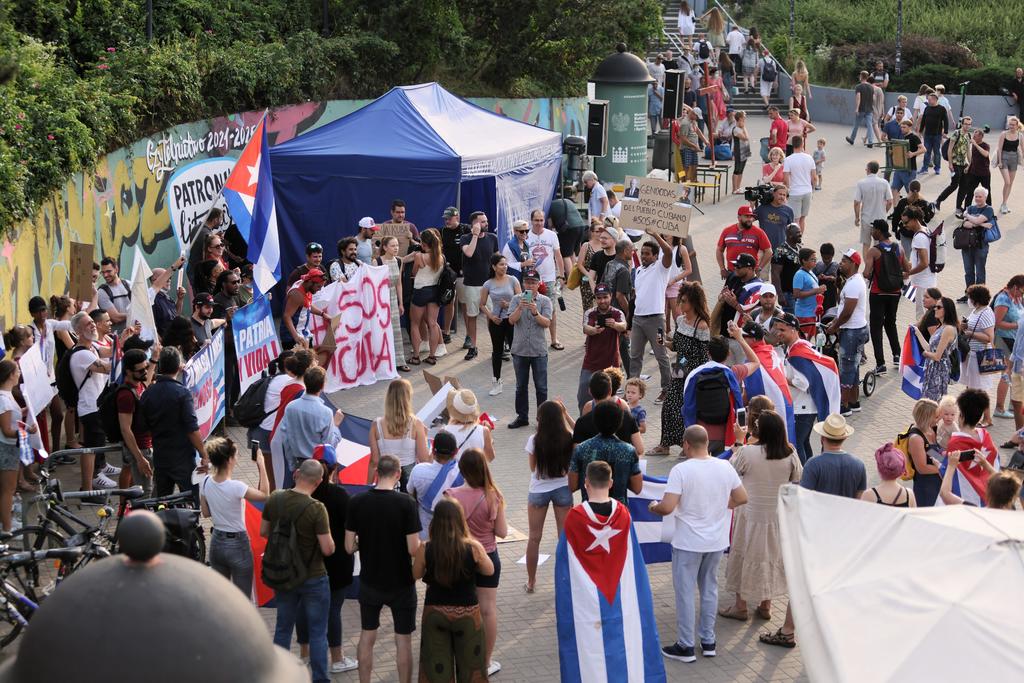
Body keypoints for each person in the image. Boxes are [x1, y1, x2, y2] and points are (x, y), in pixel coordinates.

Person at [761, 413, 864, 649]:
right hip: (845, 535)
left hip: (818, 534)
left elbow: (804, 501)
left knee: (803, 585)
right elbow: (859, 501)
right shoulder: (858, 465)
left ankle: (788, 631)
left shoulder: (815, 465)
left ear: (822, 439)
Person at [650, 425, 748, 663]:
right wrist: (723, 507)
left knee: (685, 592)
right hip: (716, 541)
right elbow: (742, 497)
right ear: (706, 443)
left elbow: (668, 507)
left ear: (685, 444)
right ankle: (708, 640)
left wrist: (654, 506)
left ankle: (685, 645)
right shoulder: (725, 467)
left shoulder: (681, 470)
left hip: (688, 542)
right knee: (709, 589)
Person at [719, 411, 801, 622]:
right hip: (776, 515)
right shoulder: (790, 453)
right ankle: (766, 605)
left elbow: (731, 471)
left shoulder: (748, 452)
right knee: (770, 557)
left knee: (744, 554)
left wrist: (739, 441)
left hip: (749, 512)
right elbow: (797, 478)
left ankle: (741, 605)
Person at [345, 455, 421, 683]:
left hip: (370, 581)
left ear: (376, 472)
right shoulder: (406, 503)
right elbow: (413, 549)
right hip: (401, 583)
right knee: (403, 640)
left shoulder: (357, 502)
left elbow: (349, 547)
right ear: (398, 474)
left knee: (367, 635)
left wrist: (364, 542)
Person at [262, 459, 334, 683]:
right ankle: (320, 679)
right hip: (313, 577)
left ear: (296, 474)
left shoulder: (276, 498)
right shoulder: (316, 509)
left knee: (283, 627)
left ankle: (278, 675)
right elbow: (328, 548)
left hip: (284, 574)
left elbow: (264, 531)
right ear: (319, 481)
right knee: (317, 633)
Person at [412, 497, 493, 682]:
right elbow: (490, 570)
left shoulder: (426, 547)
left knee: (436, 669)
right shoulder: (472, 547)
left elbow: (416, 574)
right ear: (460, 520)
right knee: (472, 669)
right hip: (468, 614)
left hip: (435, 612)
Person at [295, 450, 357, 674]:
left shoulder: (299, 495)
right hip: (337, 562)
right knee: (333, 611)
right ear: (334, 469)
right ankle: (338, 659)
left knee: (303, 606)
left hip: (305, 563)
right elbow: (353, 529)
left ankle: (304, 655)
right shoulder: (341, 496)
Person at [446, 449, 507, 677]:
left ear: (461, 470)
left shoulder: (450, 495)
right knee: (488, 610)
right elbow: (501, 532)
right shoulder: (493, 495)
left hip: (458, 556)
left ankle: (459, 658)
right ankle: (486, 661)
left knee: (460, 608)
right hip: (487, 557)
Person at [200, 436, 269, 594]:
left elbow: (205, 512)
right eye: (236, 455)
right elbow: (265, 495)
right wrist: (262, 465)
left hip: (217, 542)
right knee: (242, 597)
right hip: (238, 544)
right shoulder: (237, 487)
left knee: (223, 596)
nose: (237, 457)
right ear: (229, 460)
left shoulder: (205, 482)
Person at [139, 346, 209, 500]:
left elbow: (142, 427)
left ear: (159, 366)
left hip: (161, 457)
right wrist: (204, 453)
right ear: (178, 367)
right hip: (183, 458)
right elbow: (192, 429)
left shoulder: (148, 393)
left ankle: (161, 524)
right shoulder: (182, 393)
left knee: (162, 502)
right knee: (191, 501)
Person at [523, 400, 574, 593]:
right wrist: (567, 413)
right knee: (564, 538)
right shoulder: (568, 437)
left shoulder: (534, 440)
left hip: (538, 491)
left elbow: (532, 468)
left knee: (534, 537)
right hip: (562, 489)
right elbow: (579, 431)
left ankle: (531, 581)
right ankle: (565, 581)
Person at [65, 311, 115, 490]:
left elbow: (109, 352)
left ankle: (95, 477)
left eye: (93, 322)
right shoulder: (81, 355)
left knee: (96, 445)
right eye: (88, 324)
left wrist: (124, 339)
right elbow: (108, 367)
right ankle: (88, 488)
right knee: (90, 448)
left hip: (96, 405)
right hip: (90, 407)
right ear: (78, 331)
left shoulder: (91, 347)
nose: (93, 325)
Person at [277, 366, 344, 489]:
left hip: (299, 465)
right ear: (323, 386)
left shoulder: (291, 407)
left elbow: (285, 438)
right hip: (318, 468)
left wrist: (292, 465)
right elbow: (328, 445)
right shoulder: (325, 412)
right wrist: (336, 425)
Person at [629, 230, 674, 402]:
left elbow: (668, 252)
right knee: (635, 356)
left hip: (657, 321)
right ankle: (633, 390)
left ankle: (667, 389)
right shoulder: (639, 270)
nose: (644, 256)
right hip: (638, 320)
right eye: (642, 253)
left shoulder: (661, 268)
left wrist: (656, 236)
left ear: (656, 256)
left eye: (648, 254)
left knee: (661, 354)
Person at [568, 400, 641, 505]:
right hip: (618, 512)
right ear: (619, 423)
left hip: (590, 511)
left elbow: (572, 486)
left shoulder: (581, 449)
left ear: (595, 421)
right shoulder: (629, 450)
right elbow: (637, 488)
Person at [825, 250, 869, 415]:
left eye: (844, 260)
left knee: (847, 368)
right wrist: (835, 322)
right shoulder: (852, 281)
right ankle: (854, 401)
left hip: (852, 332)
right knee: (854, 366)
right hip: (854, 329)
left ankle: (843, 406)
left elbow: (847, 312)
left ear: (854, 264)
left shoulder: (854, 284)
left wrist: (835, 326)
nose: (841, 263)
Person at [507, 270, 552, 429]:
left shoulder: (545, 301)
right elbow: (511, 320)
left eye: (533, 282)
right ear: (523, 283)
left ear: (538, 284)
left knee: (541, 387)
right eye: (527, 282)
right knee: (521, 386)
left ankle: (543, 419)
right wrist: (520, 308)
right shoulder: (516, 299)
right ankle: (522, 417)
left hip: (538, 350)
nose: (530, 285)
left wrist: (535, 312)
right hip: (520, 350)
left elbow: (546, 323)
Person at [367, 378, 429, 490]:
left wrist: (368, 486)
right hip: (409, 481)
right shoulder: (416, 424)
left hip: (384, 480)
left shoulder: (376, 425)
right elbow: (424, 459)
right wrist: (426, 438)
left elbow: (374, 461)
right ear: (408, 398)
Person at [863, 220, 907, 372]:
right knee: (891, 323)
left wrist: (868, 273)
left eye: (873, 229)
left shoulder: (873, 251)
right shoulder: (898, 248)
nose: (872, 232)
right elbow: (907, 268)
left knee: (876, 327)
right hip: (895, 293)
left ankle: (880, 363)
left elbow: (867, 273)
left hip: (878, 292)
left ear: (879, 231)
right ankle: (897, 355)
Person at [578, 284, 627, 412]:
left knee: (611, 400)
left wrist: (615, 324)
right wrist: (594, 330)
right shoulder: (590, 312)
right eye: (599, 298)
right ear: (595, 298)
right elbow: (585, 328)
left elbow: (624, 326)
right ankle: (584, 423)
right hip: (591, 363)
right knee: (583, 396)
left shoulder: (617, 313)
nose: (602, 300)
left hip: (611, 365)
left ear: (610, 297)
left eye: (605, 297)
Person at [574, 371, 645, 456]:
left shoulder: (582, 421)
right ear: (610, 391)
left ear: (590, 391)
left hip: (593, 467)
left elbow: (577, 454)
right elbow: (640, 449)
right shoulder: (626, 416)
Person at [459, 213, 499, 360]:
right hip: (471, 284)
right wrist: (475, 236)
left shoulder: (492, 238)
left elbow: (497, 259)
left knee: (492, 316)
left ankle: (497, 346)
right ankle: (473, 347)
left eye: (486, 221)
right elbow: (469, 253)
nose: (486, 224)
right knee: (472, 316)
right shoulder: (465, 238)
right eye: (482, 222)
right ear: (474, 224)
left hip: (489, 284)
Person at [115, 349, 155, 496]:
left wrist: (154, 360)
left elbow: (147, 379)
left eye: (146, 367)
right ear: (128, 371)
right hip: (139, 449)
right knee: (144, 494)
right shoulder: (126, 395)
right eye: (140, 370)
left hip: (145, 447)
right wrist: (140, 458)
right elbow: (126, 429)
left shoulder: (139, 383)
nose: (145, 372)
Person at [480, 255, 520, 397]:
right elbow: (482, 304)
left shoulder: (512, 280)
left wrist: (509, 305)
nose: (505, 267)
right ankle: (496, 382)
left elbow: (520, 300)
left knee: (516, 351)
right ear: (494, 267)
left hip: (511, 320)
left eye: (505, 264)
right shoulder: (488, 284)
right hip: (496, 321)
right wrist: (491, 316)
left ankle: (520, 381)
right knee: (497, 352)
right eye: (501, 264)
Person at [407, 430, 459, 535]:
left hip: (423, 528)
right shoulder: (461, 474)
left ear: (433, 452)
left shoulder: (418, 470)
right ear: (456, 452)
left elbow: (410, 494)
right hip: (452, 529)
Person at [405, 228, 445, 365]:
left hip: (420, 291)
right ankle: (432, 356)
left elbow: (414, 272)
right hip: (435, 291)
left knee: (415, 324)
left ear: (423, 243)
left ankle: (416, 357)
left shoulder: (419, 257)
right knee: (433, 324)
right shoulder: (441, 257)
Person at [375, 235, 410, 372]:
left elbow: (399, 283)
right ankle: (383, 361)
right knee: (382, 331)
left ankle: (399, 360)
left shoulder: (399, 261)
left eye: (397, 245)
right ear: (384, 247)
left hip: (394, 299)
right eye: (392, 246)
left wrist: (401, 303)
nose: (396, 248)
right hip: (380, 300)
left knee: (396, 331)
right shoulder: (377, 262)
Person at [961, 286, 997, 418]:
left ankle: (987, 418)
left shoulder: (986, 313)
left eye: (970, 297)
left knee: (980, 389)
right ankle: (968, 413)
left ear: (976, 299)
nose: (968, 300)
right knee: (971, 387)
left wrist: (970, 333)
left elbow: (989, 338)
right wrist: (965, 325)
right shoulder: (976, 310)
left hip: (980, 355)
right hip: (971, 354)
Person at [913, 296, 958, 401]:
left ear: (946, 310)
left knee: (933, 405)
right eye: (935, 307)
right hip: (931, 369)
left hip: (939, 372)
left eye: (938, 307)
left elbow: (937, 356)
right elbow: (930, 348)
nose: (935, 309)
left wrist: (924, 354)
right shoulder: (941, 326)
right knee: (926, 402)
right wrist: (917, 333)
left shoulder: (948, 329)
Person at [0, 360, 28, 531]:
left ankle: (6, 522)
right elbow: (7, 430)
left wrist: (24, 411)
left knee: (6, 490)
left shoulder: (6, 394)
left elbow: (11, 416)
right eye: (17, 370)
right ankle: (7, 529)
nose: (19, 373)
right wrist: (26, 432)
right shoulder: (3, 398)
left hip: (10, 447)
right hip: (7, 448)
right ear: (11, 375)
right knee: (7, 491)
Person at [993, 276, 1024, 421]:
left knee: (1016, 371)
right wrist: (1018, 325)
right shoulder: (1003, 299)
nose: (1021, 295)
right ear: (1015, 287)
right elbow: (997, 323)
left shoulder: (1016, 298)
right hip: (1003, 339)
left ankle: (1015, 402)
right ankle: (999, 407)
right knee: (1007, 372)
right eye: (1021, 291)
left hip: (1015, 340)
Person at [902, 398, 943, 506]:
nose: (939, 419)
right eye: (936, 416)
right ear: (927, 418)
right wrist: (944, 469)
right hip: (926, 487)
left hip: (937, 482)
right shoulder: (916, 439)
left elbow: (931, 452)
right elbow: (922, 468)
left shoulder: (930, 429)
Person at [716, 206, 772, 280]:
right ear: (739, 217)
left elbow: (769, 251)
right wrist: (722, 269)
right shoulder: (727, 231)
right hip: (732, 273)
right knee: (730, 292)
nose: (750, 219)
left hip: (749, 275)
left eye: (751, 217)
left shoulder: (759, 232)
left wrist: (759, 268)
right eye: (746, 216)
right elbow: (719, 250)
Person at [280, 269, 329, 351]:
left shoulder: (306, 285)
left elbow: (307, 305)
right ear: (310, 282)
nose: (319, 289)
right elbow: (287, 316)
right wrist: (296, 337)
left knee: (311, 362)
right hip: (293, 337)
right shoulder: (296, 294)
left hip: (303, 333)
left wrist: (322, 314)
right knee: (303, 363)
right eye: (318, 287)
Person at [934, 115, 973, 213]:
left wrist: (971, 163)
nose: (967, 126)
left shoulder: (968, 135)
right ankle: (938, 200)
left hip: (963, 164)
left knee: (964, 186)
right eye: (965, 124)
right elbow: (949, 149)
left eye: (969, 124)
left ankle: (958, 207)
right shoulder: (956, 133)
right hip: (955, 163)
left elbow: (968, 150)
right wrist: (950, 164)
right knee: (954, 185)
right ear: (962, 124)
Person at [444, 388, 496, 462]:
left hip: (454, 473)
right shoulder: (483, 431)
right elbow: (490, 458)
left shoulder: (445, 431)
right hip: (476, 472)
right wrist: (489, 437)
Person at [960, 187, 996, 294]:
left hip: (981, 245)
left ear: (985, 197)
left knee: (980, 272)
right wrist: (982, 224)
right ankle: (969, 294)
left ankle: (980, 295)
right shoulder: (971, 208)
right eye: (976, 196)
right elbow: (965, 224)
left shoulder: (988, 209)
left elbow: (975, 220)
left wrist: (968, 216)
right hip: (967, 244)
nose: (977, 198)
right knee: (968, 271)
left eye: (980, 196)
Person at [854, 162, 894, 255]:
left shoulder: (861, 183)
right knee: (879, 244)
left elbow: (857, 202)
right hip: (880, 219)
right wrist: (885, 211)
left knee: (866, 244)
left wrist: (857, 217)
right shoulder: (884, 183)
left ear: (868, 170)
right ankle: (878, 265)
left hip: (866, 219)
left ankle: (868, 265)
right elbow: (890, 201)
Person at [440, 207, 466, 345]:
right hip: (448, 273)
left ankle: (468, 335)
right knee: (449, 301)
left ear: (457, 217)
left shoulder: (465, 229)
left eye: (449, 218)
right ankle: (447, 332)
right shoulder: (442, 231)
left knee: (464, 304)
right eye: (445, 218)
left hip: (463, 274)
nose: (447, 221)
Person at [792, 248, 825, 339]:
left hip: (812, 313)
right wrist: (816, 291)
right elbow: (796, 294)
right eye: (812, 259)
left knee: (808, 340)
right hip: (804, 315)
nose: (815, 262)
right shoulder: (799, 274)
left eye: (815, 259)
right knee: (804, 340)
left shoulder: (810, 272)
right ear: (804, 261)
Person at [960, 128, 992, 216]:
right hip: (974, 173)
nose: (973, 137)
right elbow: (973, 159)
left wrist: (975, 145)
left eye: (975, 136)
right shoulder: (973, 145)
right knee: (970, 192)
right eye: (973, 135)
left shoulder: (985, 145)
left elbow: (986, 154)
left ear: (981, 137)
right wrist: (969, 167)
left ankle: (989, 212)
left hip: (984, 174)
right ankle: (966, 211)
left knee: (987, 193)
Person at [755, 185, 794, 254]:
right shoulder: (762, 208)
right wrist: (752, 204)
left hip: (780, 249)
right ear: (773, 194)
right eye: (780, 194)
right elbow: (748, 220)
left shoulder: (789, 211)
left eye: (784, 195)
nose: (782, 197)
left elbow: (790, 230)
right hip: (763, 247)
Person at [96, 256, 131, 334]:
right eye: (103, 272)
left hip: (135, 333)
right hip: (118, 337)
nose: (105, 275)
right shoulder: (102, 292)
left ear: (116, 269)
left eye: (108, 271)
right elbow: (115, 318)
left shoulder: (129, 284)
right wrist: (135, 314)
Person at [994, 116, 1021, 214]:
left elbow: (1022, 149)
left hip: (1014, 159)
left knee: (1010, 184)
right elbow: (999, 148)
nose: (1011, 126)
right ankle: (1004, 204)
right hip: (1004, 158)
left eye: (1013, 125)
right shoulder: (1004, 134)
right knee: (1008, 182)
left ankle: (1004, 204)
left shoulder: (1020, 135)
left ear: (1017, 126)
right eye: (1010, 124)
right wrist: (1000, 161)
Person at [890, 120, 924, 196]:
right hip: (899, 168)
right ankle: (896, 208)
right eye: (901, 127)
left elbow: (923, 149)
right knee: (894, 190)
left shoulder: (914, 137)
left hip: (910, 169)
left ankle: (917, 206)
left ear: (910, 127)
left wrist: (913, 154)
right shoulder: (901, 136)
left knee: (911, 193)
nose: (902, 129)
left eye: (904, 127)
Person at [772, 225, 802, 313]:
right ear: (790, 235)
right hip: (788, 294)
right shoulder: (780, 251)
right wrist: (780, 295)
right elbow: (775, 274)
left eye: (800, 232)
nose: (800, 234)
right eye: (797, 233)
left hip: (799, 293)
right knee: (790, 322)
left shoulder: (799, 248)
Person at [846, 71, 877, 146]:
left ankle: (852, 139)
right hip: (869, 109)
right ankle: (870, 142)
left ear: (861, 76)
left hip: (861, 109)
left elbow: (858, 98)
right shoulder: (871, 87)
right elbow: (874, 98)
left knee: (856, 125)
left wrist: (857, 108)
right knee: (869, 125)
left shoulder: (858, 87)